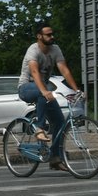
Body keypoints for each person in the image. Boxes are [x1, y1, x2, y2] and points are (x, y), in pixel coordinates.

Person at [18, 23, 83, 170]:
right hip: (26, 88)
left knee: (60, 121)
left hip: (43, 89)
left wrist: (76, 89)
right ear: (39, 36)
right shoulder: (33, 50)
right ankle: (39, 129)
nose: (52, 36)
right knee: (44, 91)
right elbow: (34, 72)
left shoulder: (55, 49)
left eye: (52, 34)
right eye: (48, 34)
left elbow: (64, 70)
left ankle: (55, 158)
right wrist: (45, 91)